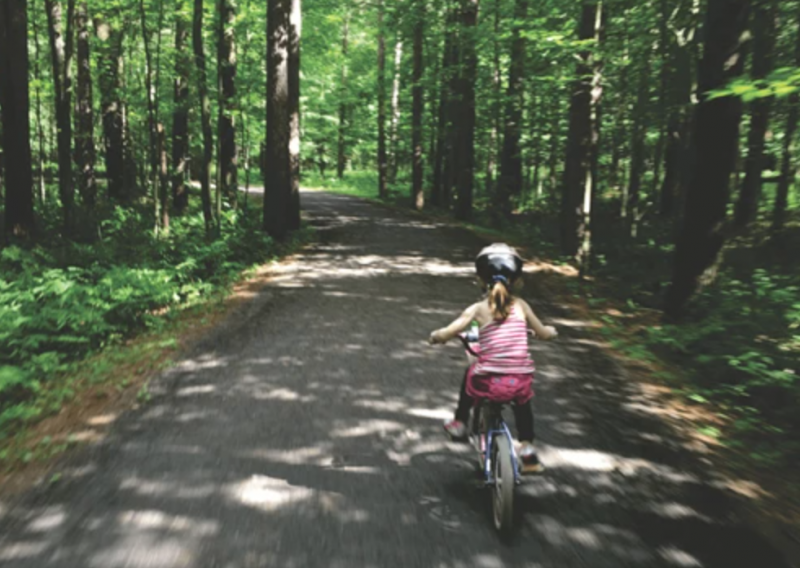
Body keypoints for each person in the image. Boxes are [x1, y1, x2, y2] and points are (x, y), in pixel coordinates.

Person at [429, 243, 557, 473]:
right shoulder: (522, 307)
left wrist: (437, 336)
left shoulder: (477, 309)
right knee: (523, 403)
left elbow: (449, 330)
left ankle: (460, 423)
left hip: (487, 379)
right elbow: (544, 333)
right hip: (518, 380)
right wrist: (550, 332)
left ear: (480, 280)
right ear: (517, 281)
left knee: (471, 373)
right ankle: (527, 450)